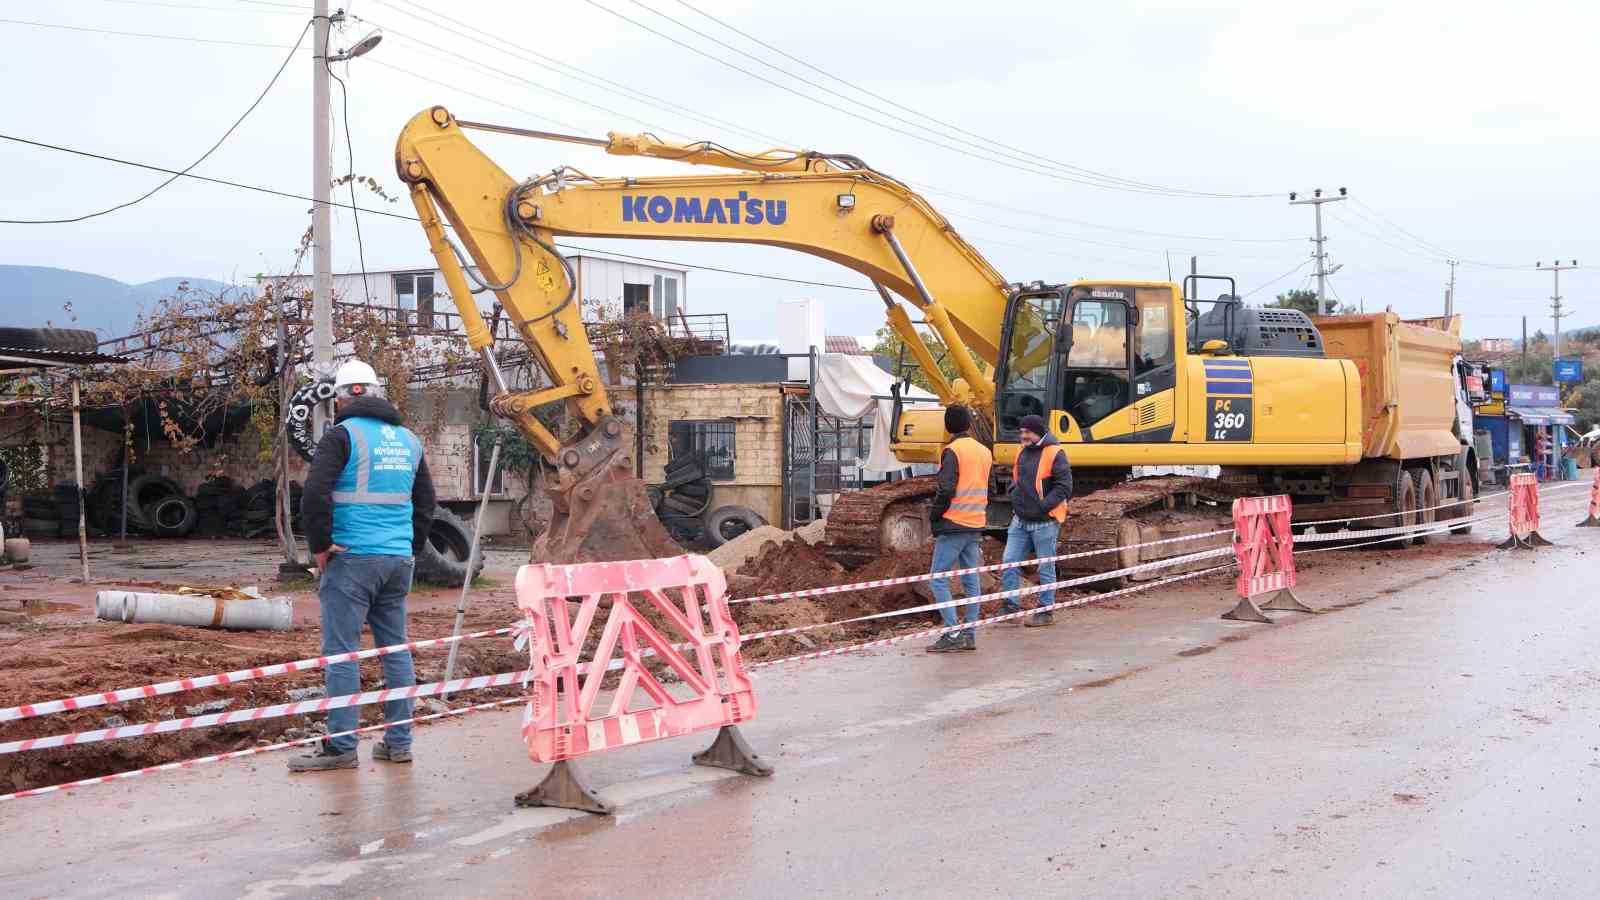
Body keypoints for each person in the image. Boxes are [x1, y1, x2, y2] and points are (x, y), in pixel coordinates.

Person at [288, 359, 436, 772]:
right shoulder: (409, 440)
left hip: (350, 558)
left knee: (342, 654)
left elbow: (315, 494)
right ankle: (398, 743)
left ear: (341, 397)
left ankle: (341, 747)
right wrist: (410, 546)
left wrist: (319, 548)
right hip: (396, 560)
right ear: (376, 392)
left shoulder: (341, 436)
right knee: (395, 649)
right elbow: (426, 502)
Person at [925, 405, 992, 653]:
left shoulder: (952, 451)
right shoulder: (984, 451)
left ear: (947, 425)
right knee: (970, 579)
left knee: (938, 579)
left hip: (954, 523)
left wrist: (935, 516)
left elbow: (945, 488)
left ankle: (952, 633)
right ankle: (969, 634)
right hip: (975, 522)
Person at [1001, 414, 1072, 627]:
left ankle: (1045, 610)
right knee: (1009, 562)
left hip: (1045, 521)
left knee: (1045, 568)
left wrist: (1042, 506)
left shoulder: (1055, 452)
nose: (1023, 435)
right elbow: (1016, 479)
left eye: (1027, 432)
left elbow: (1064, 487)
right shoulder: (1022, 451)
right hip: (1020, 520)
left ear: (1038, 432)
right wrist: (1015, 497)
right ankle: (1010, 606)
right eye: (1021, 431)